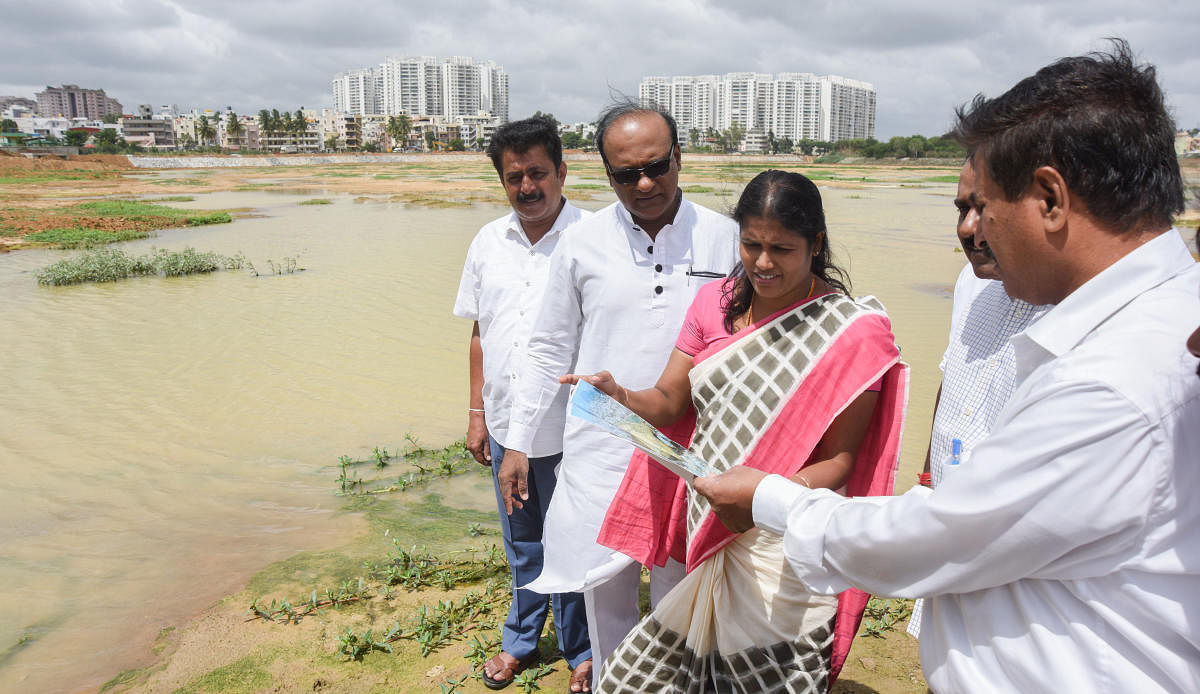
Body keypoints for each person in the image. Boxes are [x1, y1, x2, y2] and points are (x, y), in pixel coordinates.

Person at [694, 41, 1200, 693]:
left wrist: (769, 498)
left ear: (1049, 199)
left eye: (986, 205)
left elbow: (934, 539)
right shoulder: (1166, 318)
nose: (976, 233)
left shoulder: (1114, 376)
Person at [558, 170, 907, 692]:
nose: (763, 263)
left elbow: (840, 461)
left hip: (783, 537)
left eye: (782, 249)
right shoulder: (714, 303)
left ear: (816, 244)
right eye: (751, 244)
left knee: (765, 675)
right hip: (711, 511)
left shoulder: (849, 333)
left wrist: (765, 497)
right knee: (656, 672)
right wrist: (622, 397)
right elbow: (672, 399)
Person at [496, 100, 740, 687]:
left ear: (679, 156)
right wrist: (519, 442)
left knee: (686, 591)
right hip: (602, 448)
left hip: (693, 448)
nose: (646, 183)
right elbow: (550, 349)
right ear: (608, 176)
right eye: (627, 174)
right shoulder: (583, 243)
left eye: (657, 165)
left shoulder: (725, 237)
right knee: (605, 596)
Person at [452, 115, 592, 691]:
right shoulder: (489, 241)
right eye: (515, 177)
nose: (527, 186)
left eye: (538, 172)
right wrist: (477, 414)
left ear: (561, 171)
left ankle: (583, 649)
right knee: (523, 541)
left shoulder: (595, 237)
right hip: (508, 424)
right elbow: (481, 333)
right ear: (502, 182)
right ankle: (521, 640)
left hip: (576, 428)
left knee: (576, 539)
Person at [905, 158, 1050, 638]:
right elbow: (952, 383)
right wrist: (926, 479)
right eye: (961, 210)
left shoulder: (1074, 305)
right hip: (947, 521)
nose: (968, 230)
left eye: (982, 210)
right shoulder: (972, 283)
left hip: (1016, 563)